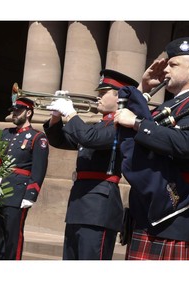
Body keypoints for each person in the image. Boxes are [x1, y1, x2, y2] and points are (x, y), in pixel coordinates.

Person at [114, 37, 189, 260]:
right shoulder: (169, 107)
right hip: (150, 211)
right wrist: (142, 88)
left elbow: (185, 144)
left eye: (173, 64)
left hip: (176, 215)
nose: (166, 70)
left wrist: (138, 123)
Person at [43, 69, 139, 260]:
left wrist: (70, 113)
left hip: (99, 206)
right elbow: (60, 141)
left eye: (103, 93)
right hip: (80, 202)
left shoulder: (121, 126)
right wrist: (55, 117)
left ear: (119, 96)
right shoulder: (97, 126)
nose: (98, 97)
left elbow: (90, 139)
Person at [0, 97, 49, 260]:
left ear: (28, 113)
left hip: (17, 193)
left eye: (18, 111)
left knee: (12, 238)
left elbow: (39, 169)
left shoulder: (38, 138)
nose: (14, 114)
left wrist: (30, 195)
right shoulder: (5, 133)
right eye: (13, 111)